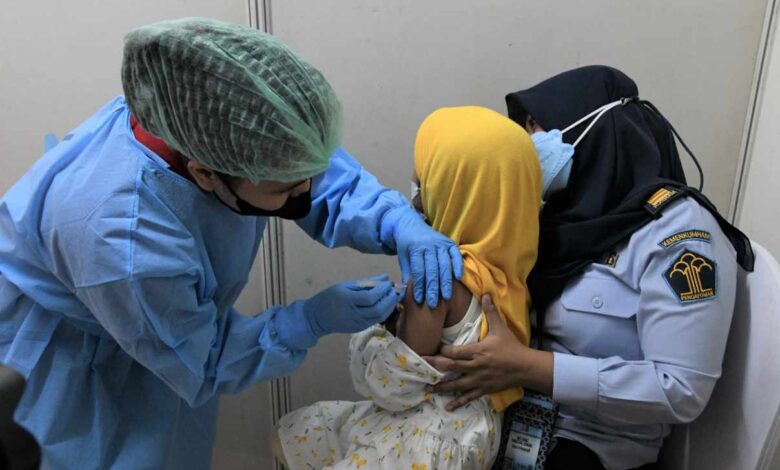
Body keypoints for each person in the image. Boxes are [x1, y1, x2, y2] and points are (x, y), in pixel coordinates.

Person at [0, 18, 463, 469]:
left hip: (159, 327)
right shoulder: (125, 239)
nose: (308, 194)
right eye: (285, 189)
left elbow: (307, 167)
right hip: (72, 368)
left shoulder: (210, 118)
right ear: (204, 173)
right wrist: (308, 320)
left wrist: (396, 221)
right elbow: (204, 361)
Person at [423, 66, 754, 470]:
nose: (528, 141)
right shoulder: (555, 216)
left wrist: (526, 367)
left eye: (536, 126)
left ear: (591, 133)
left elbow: (681, 389)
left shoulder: (679, 235)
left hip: (591, 447)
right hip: (503, 421)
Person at [273, 106, 541, 469]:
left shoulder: (438, 277)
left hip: (421, 445)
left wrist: (375, 329)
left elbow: (392, 387)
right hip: (474, 436)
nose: (414, 185)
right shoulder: (514, 274)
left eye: (423, 176)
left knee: (294, 432)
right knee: (302, 432)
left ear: (449, 190)